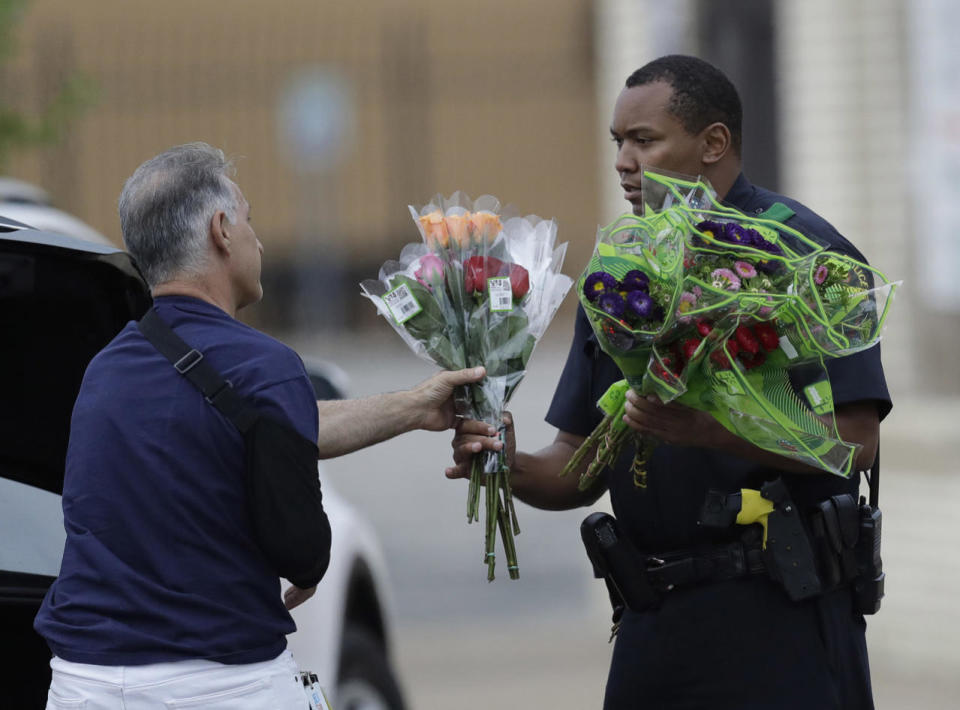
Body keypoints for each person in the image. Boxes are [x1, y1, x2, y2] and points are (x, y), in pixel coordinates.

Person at [450, 56, 891, 709]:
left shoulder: (804, 255)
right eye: (617, 142)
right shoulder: (620, 275)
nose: (624, 160)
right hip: (653, 628)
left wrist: (713, 430)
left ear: (713, 143)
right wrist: (502, 461)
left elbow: (856, 444)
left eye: (644, 140)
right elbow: (577, 466)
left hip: (780, 622)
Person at [34, 142, 485, 708]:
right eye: (250, 220)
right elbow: (303, 551)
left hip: (83, 683)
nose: (259, 239)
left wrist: (417, 406)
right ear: (222, 229)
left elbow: (255, 426)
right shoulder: (263, 366)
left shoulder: (104, 370)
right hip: (221, 683)